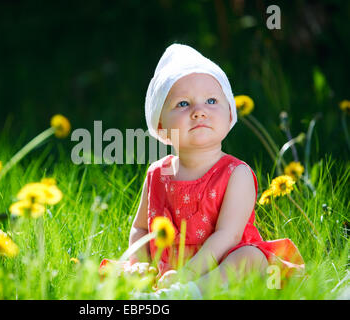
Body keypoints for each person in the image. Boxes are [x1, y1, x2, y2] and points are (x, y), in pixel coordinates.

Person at [100, 43, 305, 299]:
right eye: (183, 103)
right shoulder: (157, 174)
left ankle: (191, 292)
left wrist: (189, 274)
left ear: (230, 112)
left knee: (249, 258)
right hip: (166, 275)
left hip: (220, 270)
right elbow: (141, 229)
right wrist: (140, 263)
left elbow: (228, 235)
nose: (199, 112)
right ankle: (157, 294)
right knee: (117, 278)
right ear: (161, 125)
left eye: (211, 101)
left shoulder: (235, 173)